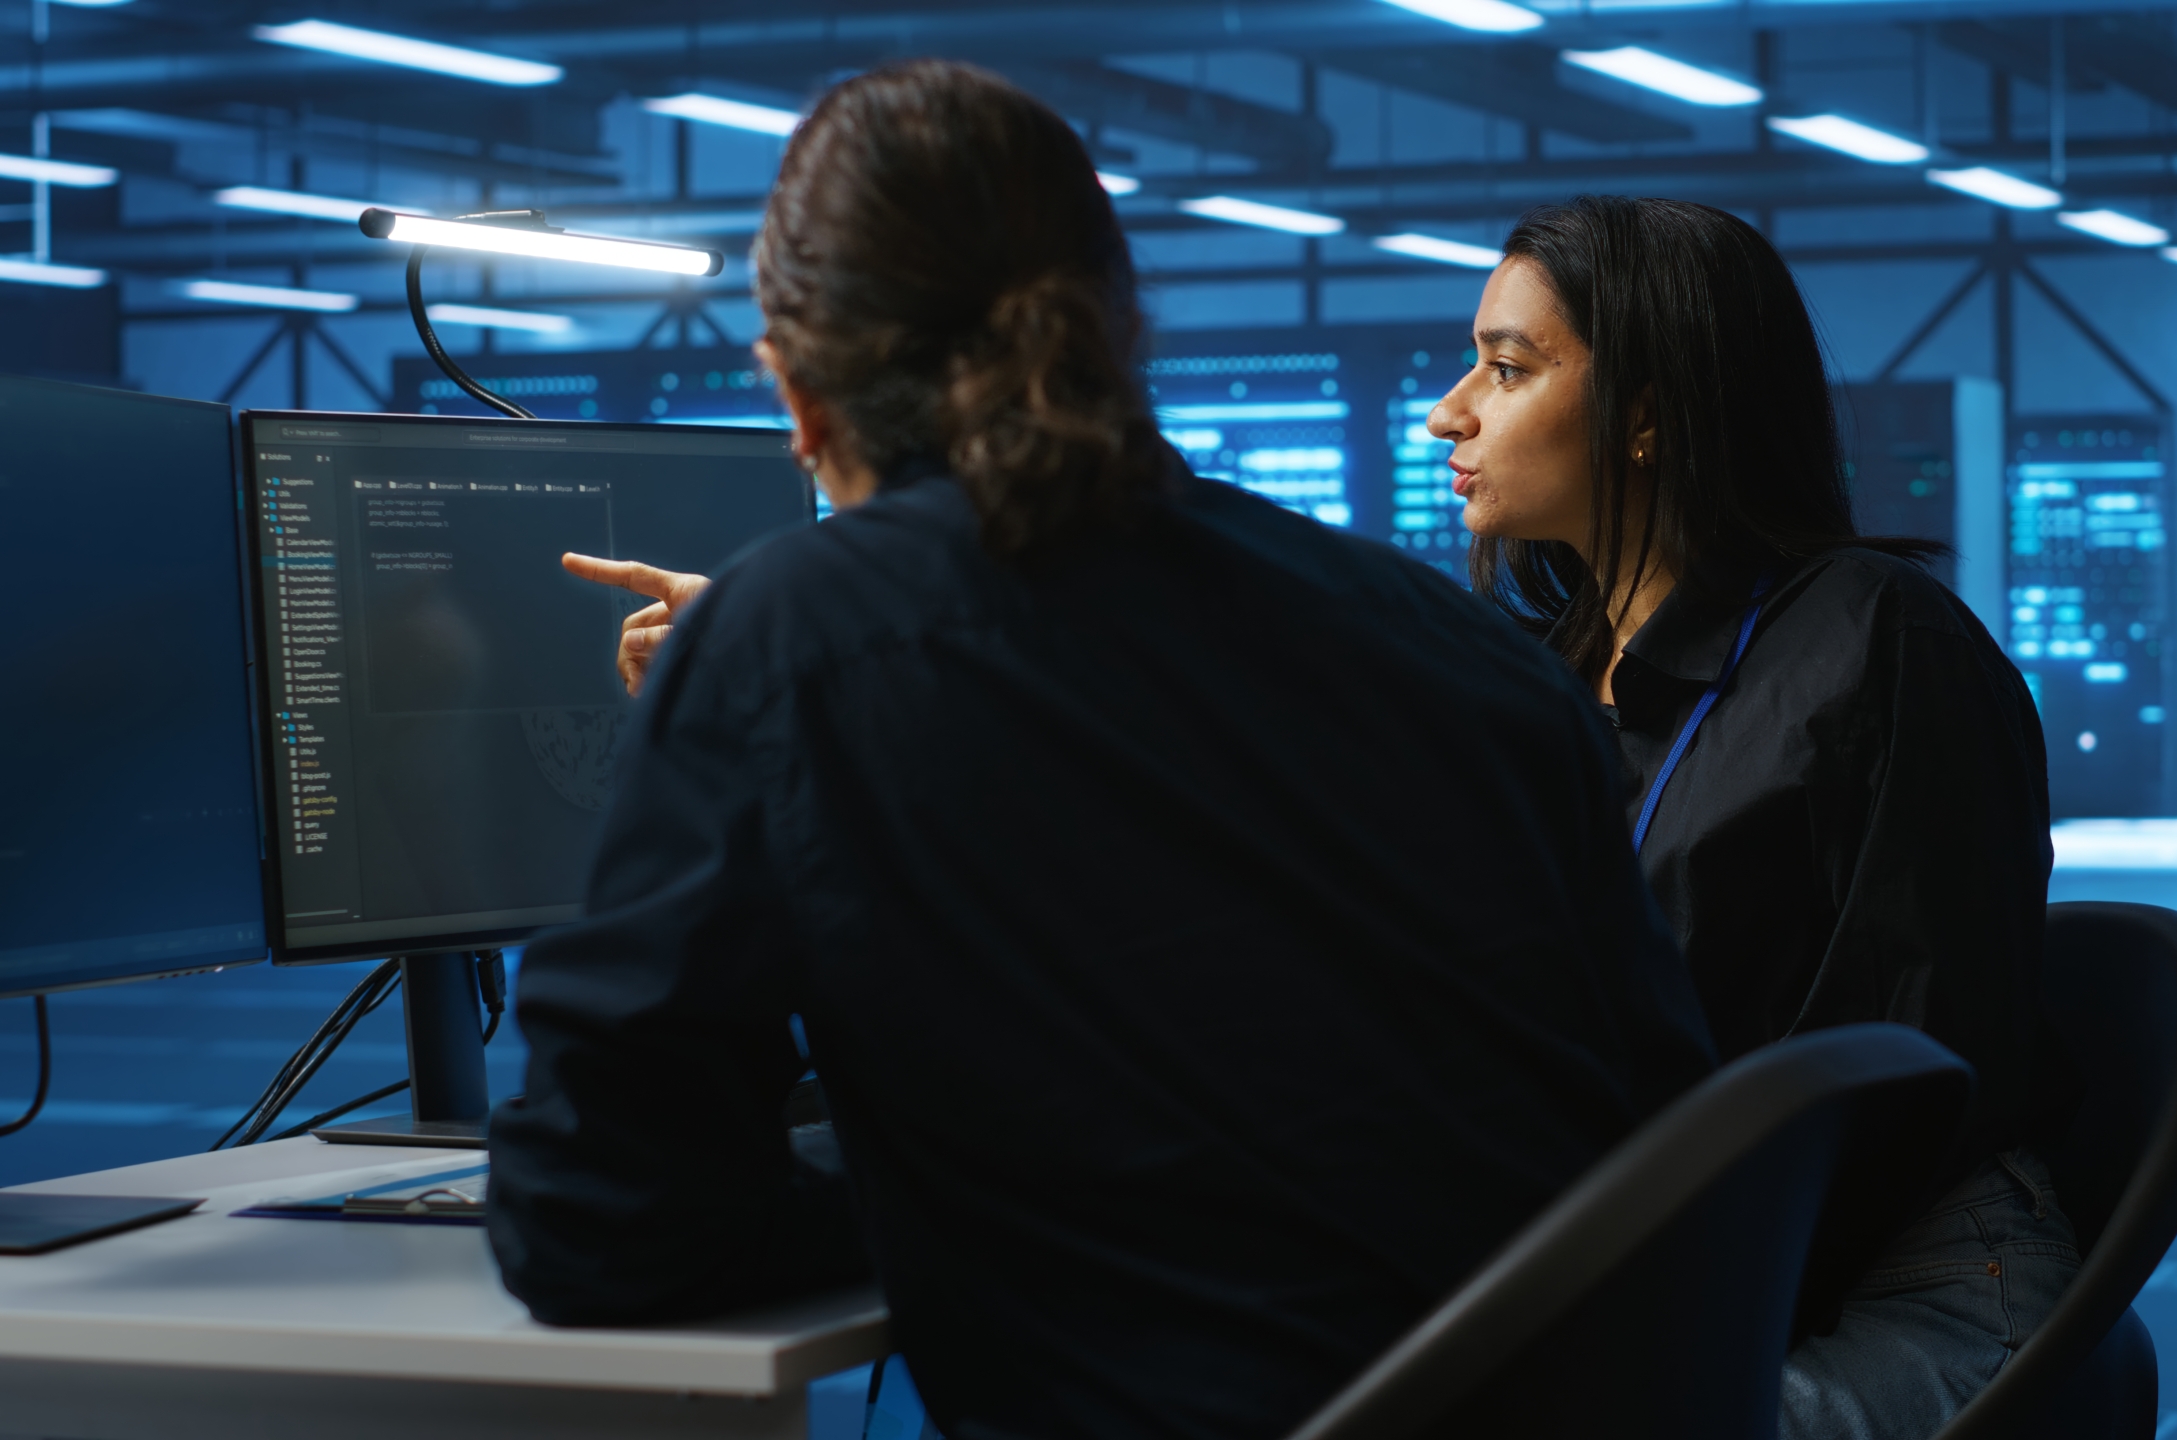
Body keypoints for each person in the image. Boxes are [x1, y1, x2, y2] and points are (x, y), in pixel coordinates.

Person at [486, 62, 1718, 1440]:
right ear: (1120, 330)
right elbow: (1661, 1138)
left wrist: (903, 1184)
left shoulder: (791, 644)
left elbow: (593, 1223)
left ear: (796, 389)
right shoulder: (1460, 647)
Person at [1425, 195, 2075, 1440]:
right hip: (1660, 1252)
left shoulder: (1877, 640)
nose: (1450, 410)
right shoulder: (1544, 685)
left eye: (1506, 368)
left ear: (1652, 414)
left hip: (1895, 1278)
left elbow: (1906, 1075)